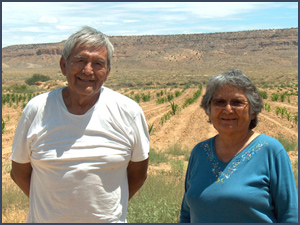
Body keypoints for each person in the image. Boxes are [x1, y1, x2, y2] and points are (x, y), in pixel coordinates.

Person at [10, 26, 150, 223]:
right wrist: (54, 211)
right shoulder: (37, 109)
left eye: (98, 64)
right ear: (63, 65)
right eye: (80, 60)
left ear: (108, 72)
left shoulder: (129, 112)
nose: (88, 70)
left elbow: (138, 174)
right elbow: (19, 172)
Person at [179, 69, 298, 223]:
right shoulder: (199, 152)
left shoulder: (271, 151)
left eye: (237, 102)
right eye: (219, 102)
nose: (228, 109)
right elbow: (186, 214)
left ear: (253, 111)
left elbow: (290, 216)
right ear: (209, 110)